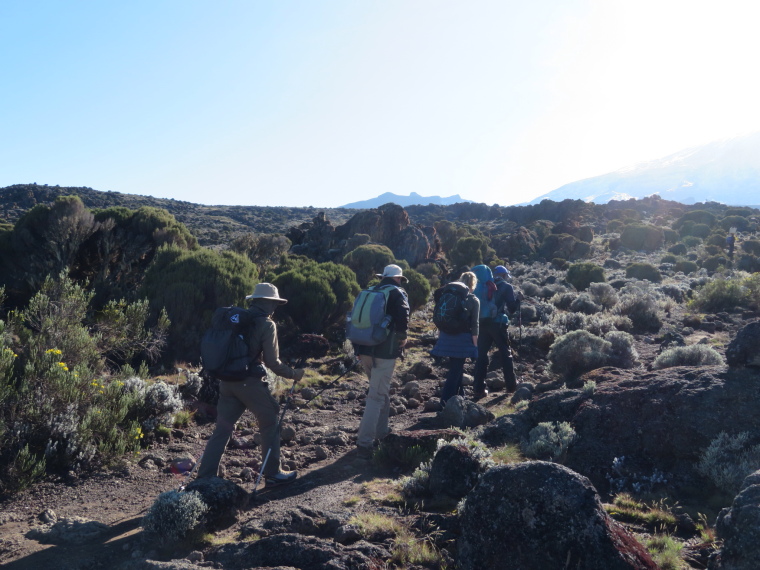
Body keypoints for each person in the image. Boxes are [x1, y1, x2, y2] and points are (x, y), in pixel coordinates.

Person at [197, 282, 305, 486]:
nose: (275, 307)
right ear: (268, 303)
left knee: (222, 428)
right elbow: (273, 362)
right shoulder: (266, 324)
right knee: (270, 420)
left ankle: (205, 476)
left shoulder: (238, 320)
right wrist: (294, 374)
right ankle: (273, 473)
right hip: (249, 383)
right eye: (274, 303)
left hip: (226, 382)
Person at [354, 264, 410, 457]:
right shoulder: (396, 292)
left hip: (364, 349)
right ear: (398, 278)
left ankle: (382, 433)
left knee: (380, 391)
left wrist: (357, 350)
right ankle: (364, 441)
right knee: (376, 395)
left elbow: (357, 321)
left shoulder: (369, 291)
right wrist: (402, 338)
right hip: (385, 352)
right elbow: (403, 315)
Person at [473, 265, 522, 398]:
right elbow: (511, 308)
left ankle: (479, 388)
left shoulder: (484, 285)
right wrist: (518, 300)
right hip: (498, 324)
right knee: (505, 353)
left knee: (481, 355)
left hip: (482, 324)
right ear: (504, 275)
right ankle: (511, 386)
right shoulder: (506, 287)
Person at [430, 271, 480, 403]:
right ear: (473, 284)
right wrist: (475, 346)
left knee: (456, 368)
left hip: (446, 335)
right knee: (455, 371)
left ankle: (460, 396)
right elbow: (475, 325)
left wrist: (440, 338)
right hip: (462, 339)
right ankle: (445, 402)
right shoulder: (473, 300)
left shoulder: (447, 295)